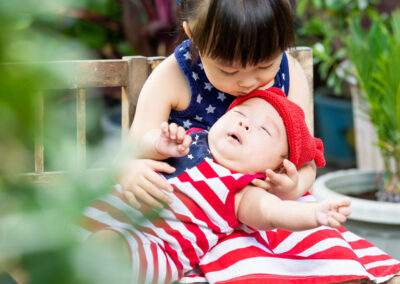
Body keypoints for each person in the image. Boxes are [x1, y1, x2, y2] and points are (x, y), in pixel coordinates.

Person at [115, 0, 400, 282]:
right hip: (192, 213)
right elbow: (135, 145)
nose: (248, 81)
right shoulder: (175, 76)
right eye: (228, 70)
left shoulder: (290, 75)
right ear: (194, 35)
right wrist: (132, 168)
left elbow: (306, 158)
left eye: (265, 65)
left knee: (317, 252)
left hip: (266, 210)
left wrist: (296, 185)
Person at [83, 88, 351, 283]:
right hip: (114, 211)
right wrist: (156, 145)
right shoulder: (190, 138)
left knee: (107, 251)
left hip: (154, 247)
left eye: (265, 130)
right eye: (242, 113)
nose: (246, 123)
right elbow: (134, 150)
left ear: (277, 166)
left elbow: (274, 213)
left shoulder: (242, 190)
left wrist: (315, 214)